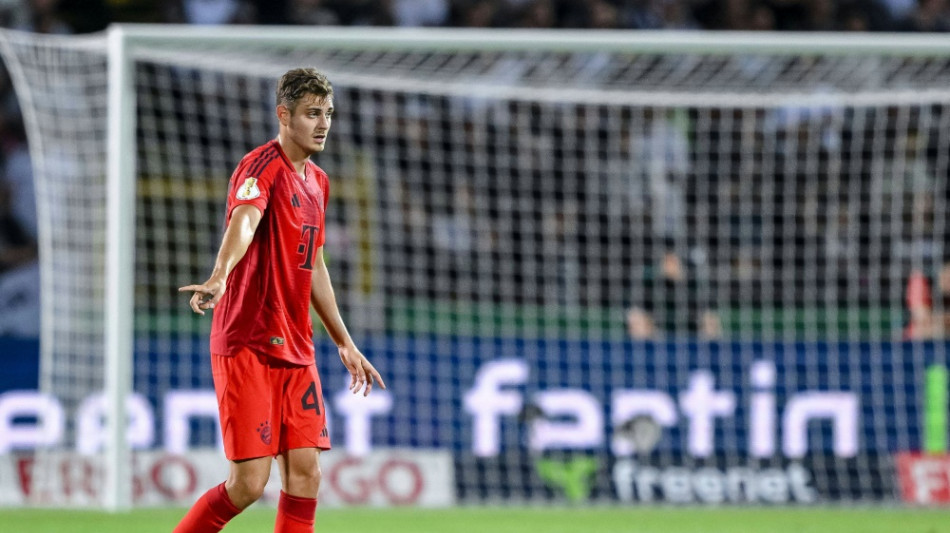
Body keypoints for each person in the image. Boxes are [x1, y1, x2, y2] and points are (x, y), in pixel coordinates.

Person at [175, 67, 385, 533]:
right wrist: (220, 274)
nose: (323, 124)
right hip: (249, 344)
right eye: (312, 114)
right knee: (248, 484)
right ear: (283, 115)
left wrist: (344, 342)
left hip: (297, 347)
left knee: (307, 475)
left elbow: (315, 266)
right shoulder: (260, 167)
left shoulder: (319, 182)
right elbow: (244, 222)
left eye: (328, 113)